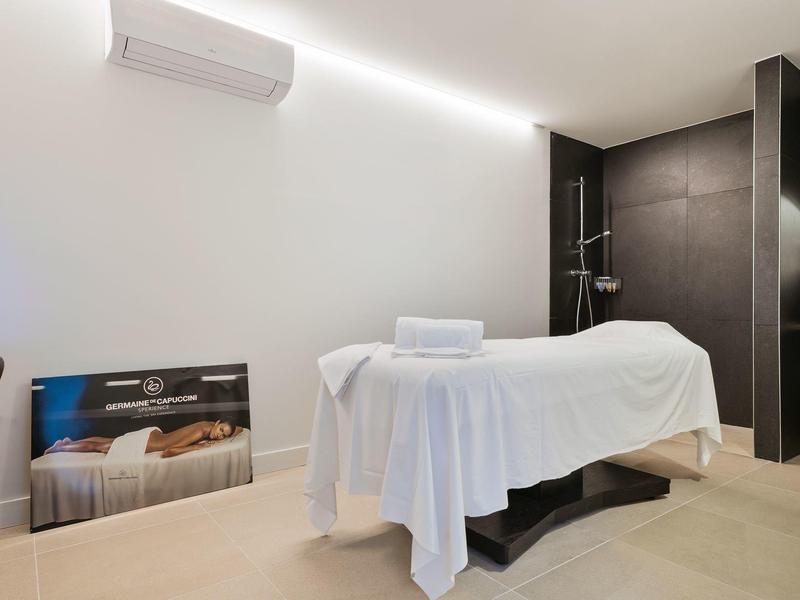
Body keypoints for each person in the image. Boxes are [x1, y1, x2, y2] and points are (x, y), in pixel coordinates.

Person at [43, 418, 241, 458]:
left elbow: (240, 429)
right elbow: (169, 451)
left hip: (153, 434)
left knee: (109, 440)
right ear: (218, 422)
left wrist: (236, 431)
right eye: (221, 429)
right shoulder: (201, 431)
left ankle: (69, 443)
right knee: (102, 446)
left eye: (224, 435)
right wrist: (198, 448)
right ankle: (58, 449)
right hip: (148, 442)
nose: (219, 436)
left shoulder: (205, 426)